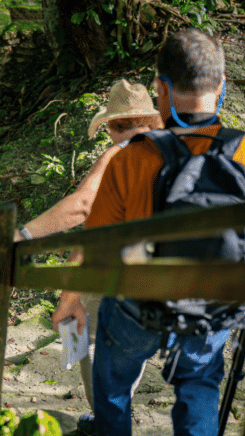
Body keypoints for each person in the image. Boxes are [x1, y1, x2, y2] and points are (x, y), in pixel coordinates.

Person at [52, 29, 245, 436]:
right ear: (223, 85)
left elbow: (98, 245)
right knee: (198, 389)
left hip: (139, 302)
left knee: (113, 384)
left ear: (160, 89)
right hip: (212, 304)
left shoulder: (133, 158)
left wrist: (69, 299)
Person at [15, 79, 162, 416]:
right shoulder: (169, 152)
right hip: (166, 272)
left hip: (118, 272)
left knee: (90, 337)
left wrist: (24, 234)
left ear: (112, 125)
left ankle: (107, 424)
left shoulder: (118, 154)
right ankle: (112, 414)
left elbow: (84, 207)